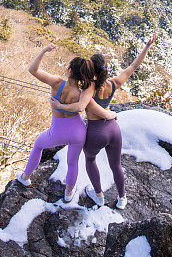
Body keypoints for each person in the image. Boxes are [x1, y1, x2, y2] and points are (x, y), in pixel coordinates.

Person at [52, 35, 156, 210]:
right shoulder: (113, 83)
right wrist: (146, 47)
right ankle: (122, 198)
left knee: (90, 159)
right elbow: (133, 66)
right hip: (114, 130)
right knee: (116, 165)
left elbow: (78, 107)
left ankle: (98, 195)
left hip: (96, 132)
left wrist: (59, 105)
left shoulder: (88, 89)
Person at [16, 44, 116, 202]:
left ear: (69, 71)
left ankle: (25, 177)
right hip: (78, 131)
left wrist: (43, 51)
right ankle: (69, 193)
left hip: (57, 131)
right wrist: (110, 115)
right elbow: (90, 109)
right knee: (72, 162)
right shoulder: (84, 92)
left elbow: (33, 70)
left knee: (38, 145)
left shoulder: (57, 83)